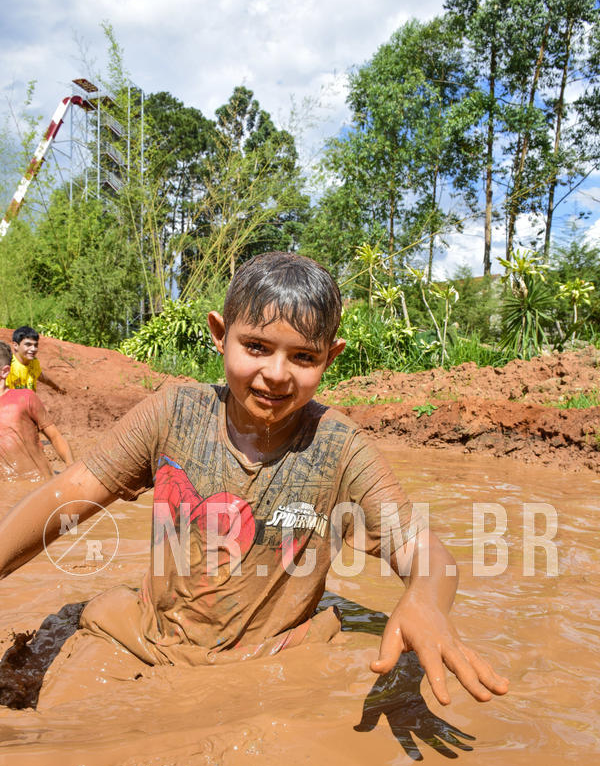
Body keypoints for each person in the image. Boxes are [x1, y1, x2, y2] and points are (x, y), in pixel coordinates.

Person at [0, 252, 508, 707]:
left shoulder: (340, 448)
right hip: (145, 638)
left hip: (269, 657)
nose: (277, 374)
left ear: (330, 358)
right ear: (221, 335)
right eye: (257, 347)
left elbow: (425, 550)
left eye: (303, 357)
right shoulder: (173, 414)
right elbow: (69, 494)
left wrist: (426, 599)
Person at [0, 341, 74, 480]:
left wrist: (72, 470)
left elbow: (55, 437)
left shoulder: (25, 398)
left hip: (36, 483)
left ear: (4, 372)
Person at [6, 326, 66, 393]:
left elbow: (41, 376)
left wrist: (56, 387)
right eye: (28, 344)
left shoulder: (34, 362)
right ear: (15, 345)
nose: (33, 349)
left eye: (35, 345)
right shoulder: (8, 366)